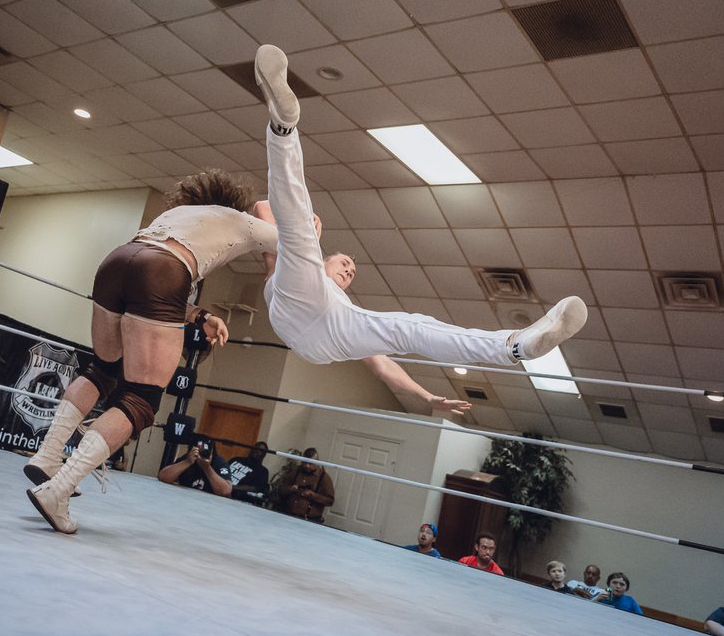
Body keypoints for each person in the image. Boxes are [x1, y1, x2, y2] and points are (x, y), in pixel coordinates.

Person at [251, 44, 588, 414]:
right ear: (326, 261)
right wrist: (299, 238)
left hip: (326, 338)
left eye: (352, 271)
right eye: (344, 263)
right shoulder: (286, 265)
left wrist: (426, 398)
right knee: (300, 233)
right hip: (293, 307)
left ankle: (516, 345)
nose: (348, 270)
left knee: (408, 328)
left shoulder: (347, 309)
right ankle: (283, 126)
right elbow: (262, 207)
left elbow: (383, 367)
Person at [24, 170, 278, 534]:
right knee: (142, 399)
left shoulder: (176, 216)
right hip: (162, 271)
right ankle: (59, 489)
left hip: (117, 261)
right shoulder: (238, 221)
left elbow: (148, 279)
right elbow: (288, 243)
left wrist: (200, 315)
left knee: (102, 369)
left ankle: (47, 456)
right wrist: (307, 229)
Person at [276, 447, 335, 523]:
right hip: (288, 516)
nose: (307, 466)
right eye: (305, 462)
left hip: (309, 520)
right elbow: (280, 490)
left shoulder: (323, 477)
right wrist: (290, 489)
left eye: (310, 463)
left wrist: (313, 495)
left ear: (317, 462)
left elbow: (330, 501)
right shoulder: (295, 471)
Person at [157, 441, 231, 497]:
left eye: (206, 452)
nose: (202, 454)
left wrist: (207, 468)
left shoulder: (219, 462)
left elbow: (226, 491)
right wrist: (187, 462)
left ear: (212, 452)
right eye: (199, 451)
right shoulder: (189, 458)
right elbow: (163, 476)